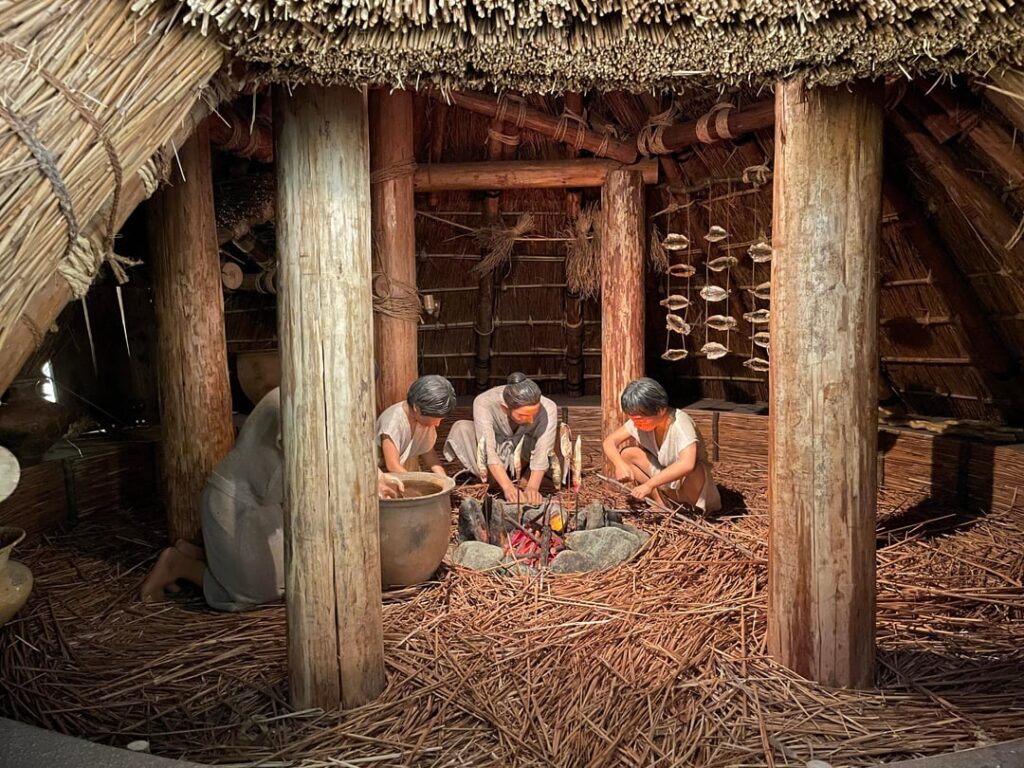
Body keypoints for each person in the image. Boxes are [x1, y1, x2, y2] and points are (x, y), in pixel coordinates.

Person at [140, 387, 405, 608]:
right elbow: (313, 458)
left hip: (269, 505)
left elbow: (346, 443)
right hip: (235, 502)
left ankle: (203, 555)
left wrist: (376, 476)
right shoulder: (296, 402)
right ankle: (179, 566)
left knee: (288, 577)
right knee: (256, 592)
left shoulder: (326, 400)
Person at [602, 377, 721, 513]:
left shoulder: (680, 425)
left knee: (694, 469)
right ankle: (662, 504)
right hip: (665, 483)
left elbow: (686, 464)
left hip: (691, 488)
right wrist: (619, 464)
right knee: (627, 454)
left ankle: (692, 510)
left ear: (660, 410)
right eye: (633, 420)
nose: (636, 424)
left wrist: (649, 485)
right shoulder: (641, 421)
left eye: (640, 420)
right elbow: (609, 441)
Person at [443, 372, 557, 505]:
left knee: (559, 432)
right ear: (505, 408)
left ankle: (524, 480)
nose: (531, 421)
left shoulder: (548, 408)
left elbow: (543, 450)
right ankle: (492, 481)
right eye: (523, 415)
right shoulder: (484, 402)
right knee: (461, 428)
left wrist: (532, 488)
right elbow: (488, 450)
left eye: (534, 414)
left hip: (525, 456)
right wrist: (508, 487)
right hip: (495, 454)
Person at [377, 375, 456, 477]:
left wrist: (443, 478)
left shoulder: (422, 419)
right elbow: (392, 466)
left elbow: (428, 450)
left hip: (401, 475)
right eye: (434, 419)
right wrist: (417, 483)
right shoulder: (392, 422)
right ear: (416, 408)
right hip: (379, 477)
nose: (437, 424)